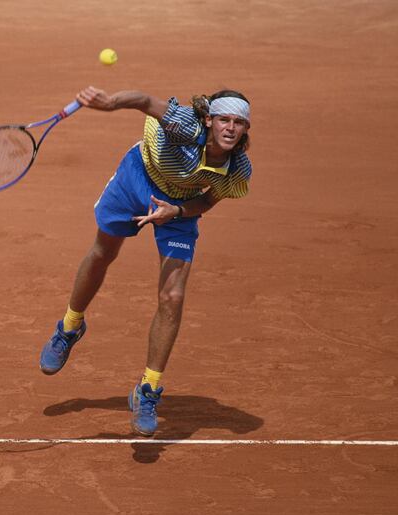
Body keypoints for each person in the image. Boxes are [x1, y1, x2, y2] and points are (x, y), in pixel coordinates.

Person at [39, 86, 253, 436]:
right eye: (224, 120)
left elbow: (209, 201)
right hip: (138, 176)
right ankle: (70, 326)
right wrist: (108, 103)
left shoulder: (237, 169)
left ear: (246, 128)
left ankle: (147, 390)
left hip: (179, 205)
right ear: (210, 120)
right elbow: (142, 101)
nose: (230, 128)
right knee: (103, 253)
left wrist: (179, 212)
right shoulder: (185, 125)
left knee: (173, 296)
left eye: (239, 123)